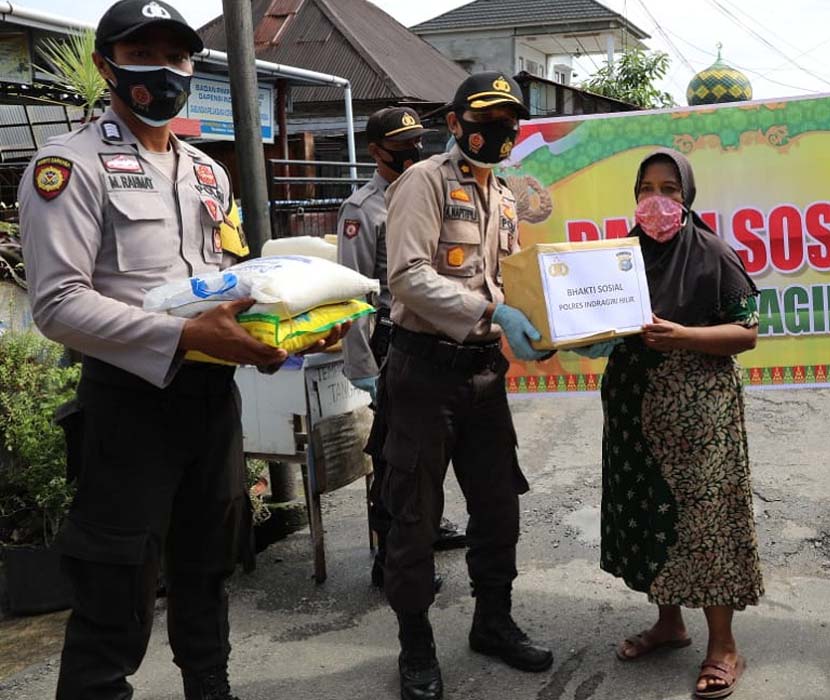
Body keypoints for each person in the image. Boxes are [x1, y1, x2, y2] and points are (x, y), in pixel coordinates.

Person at [19, 1, 346, 698]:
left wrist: (291, 331)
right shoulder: (68, 167)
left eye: (177, 56)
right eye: (143, 55)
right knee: (116, 579)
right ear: (107, 65)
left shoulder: (207, 172)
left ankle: (211, 686)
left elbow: (222, 282)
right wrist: (182, 334)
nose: (164, 71)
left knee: (209, 564)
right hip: (129, 405)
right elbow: (56, 304)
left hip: (209, 402)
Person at [381, 72, 554, 700]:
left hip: (484, 374)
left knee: (498, 505)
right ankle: (415, 641)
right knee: (416, 515)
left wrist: (540, 318)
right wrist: (491, 312)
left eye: (509, 120)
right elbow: (407, 277)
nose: (499, 131)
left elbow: (505, 279)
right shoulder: (422, 182)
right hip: (424, 372)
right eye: (484, 119)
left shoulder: (503, 195)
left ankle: (492, 621)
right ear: (454, 124)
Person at [573, 149, 763, 698]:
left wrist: (685, 336)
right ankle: (669, 622)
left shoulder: (712, 253)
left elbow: (747, 333)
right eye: (646, 188)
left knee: (705, 523)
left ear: (688, 195)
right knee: (649, 511)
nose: (656, 200)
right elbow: (596, 318)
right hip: (635, 406)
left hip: (698, 412)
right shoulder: (621, 256)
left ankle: (724, 645)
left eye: (670, 189)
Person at [335, 107, 466, 590]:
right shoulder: (363, 208)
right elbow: (351, 293)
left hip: (431, 342)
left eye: (417, 141)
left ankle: (428, 530)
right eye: (401, 144)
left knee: (432, 448)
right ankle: (389, 556)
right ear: (375, 151)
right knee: (394, 455)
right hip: (389, 341)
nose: (413, 151)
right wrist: (360, 363)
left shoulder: (432, 192)